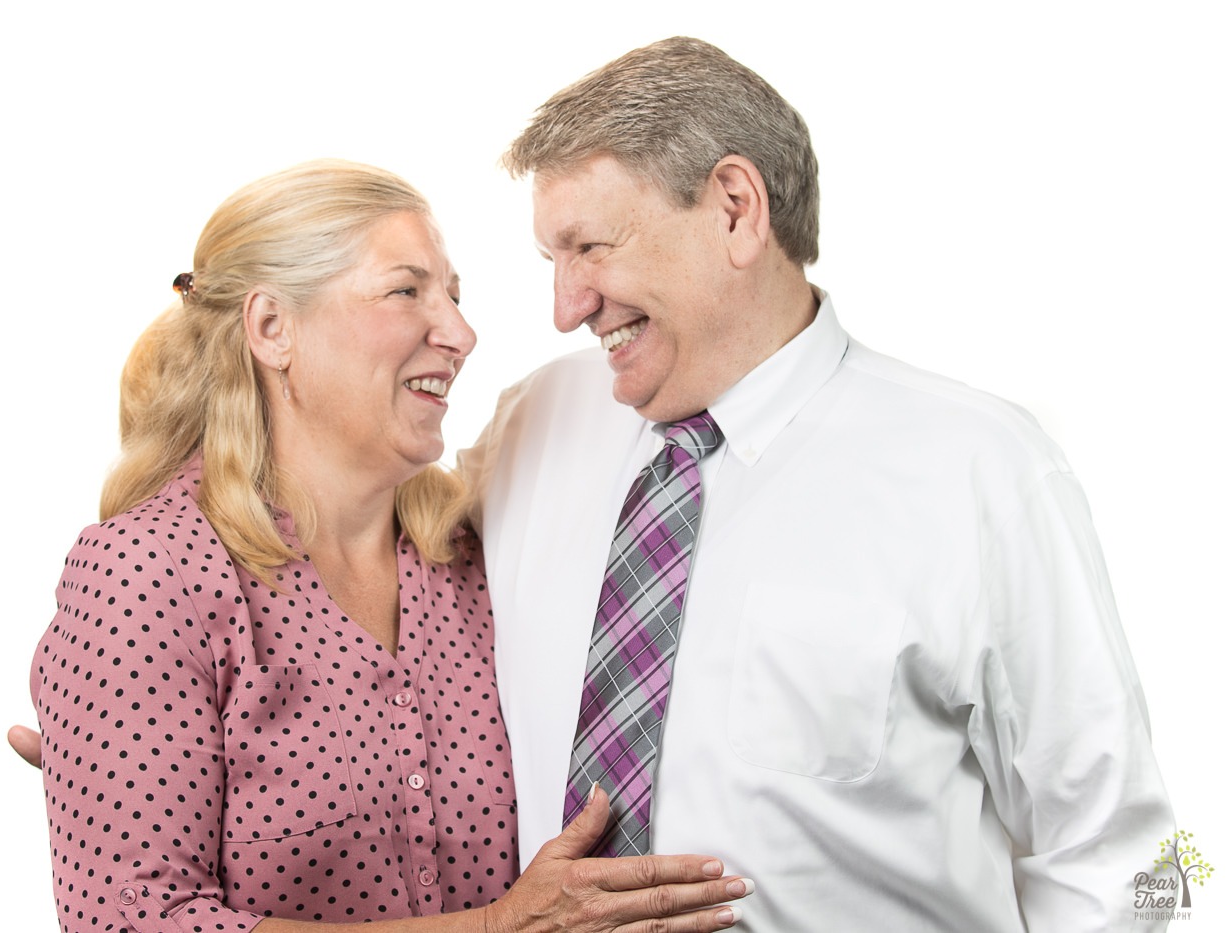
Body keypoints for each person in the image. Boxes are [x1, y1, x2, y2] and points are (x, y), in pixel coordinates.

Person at [458, 37, 1175, 931]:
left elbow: (1131, 854)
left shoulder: (981, 469)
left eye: (589, 247)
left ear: (733, 209)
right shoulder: (531, 423)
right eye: (548, 261)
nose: (565, 307)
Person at [25, 159, 751, 933]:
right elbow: (133, 921)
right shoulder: (148, 572)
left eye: (456, 296)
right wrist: (494, 928)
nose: (462, 334)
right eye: (406, 291)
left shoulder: (465, 556)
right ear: (272, 328)